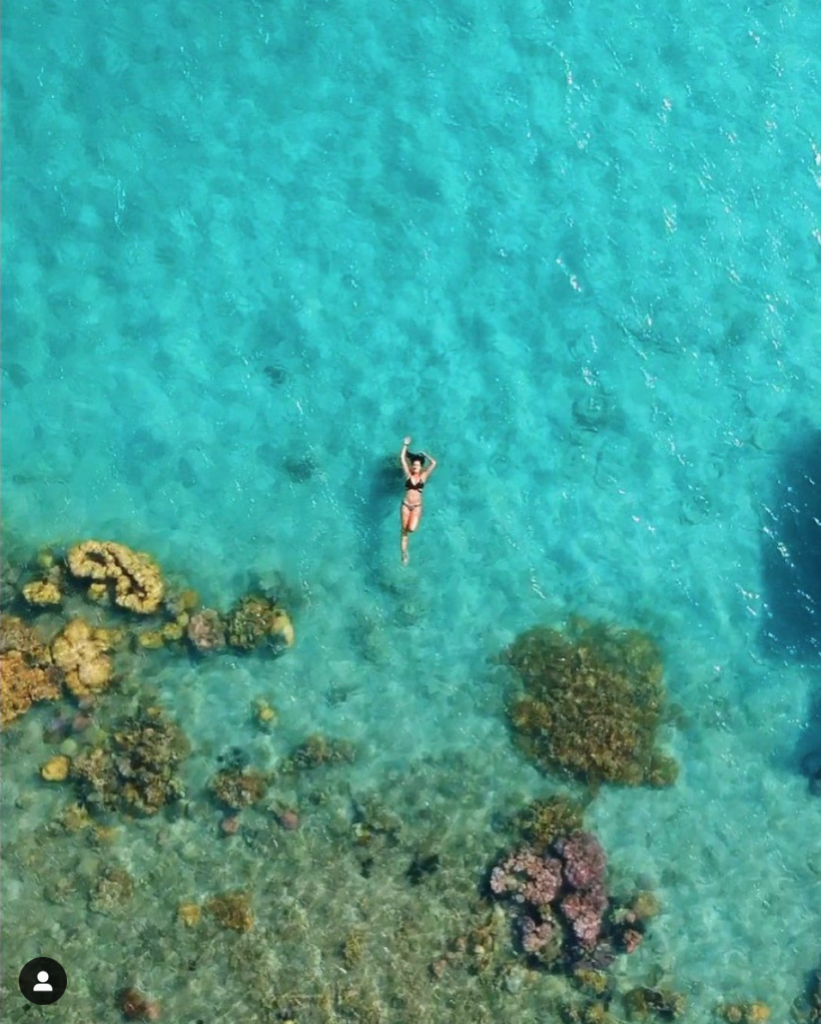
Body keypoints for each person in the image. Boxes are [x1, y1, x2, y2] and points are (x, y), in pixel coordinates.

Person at [399, 436, 437, 564]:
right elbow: (402, 459)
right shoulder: (408, 475)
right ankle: (404, 554)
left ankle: (405, 548)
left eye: (417, 465)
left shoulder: (424, 476)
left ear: (421, 467)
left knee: (412, 529)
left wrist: (426, 455)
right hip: (405, 505)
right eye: (414, 465)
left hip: (416, 506)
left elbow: (434, 464)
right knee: (404, 530)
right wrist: (405, 445)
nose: (415, 467)